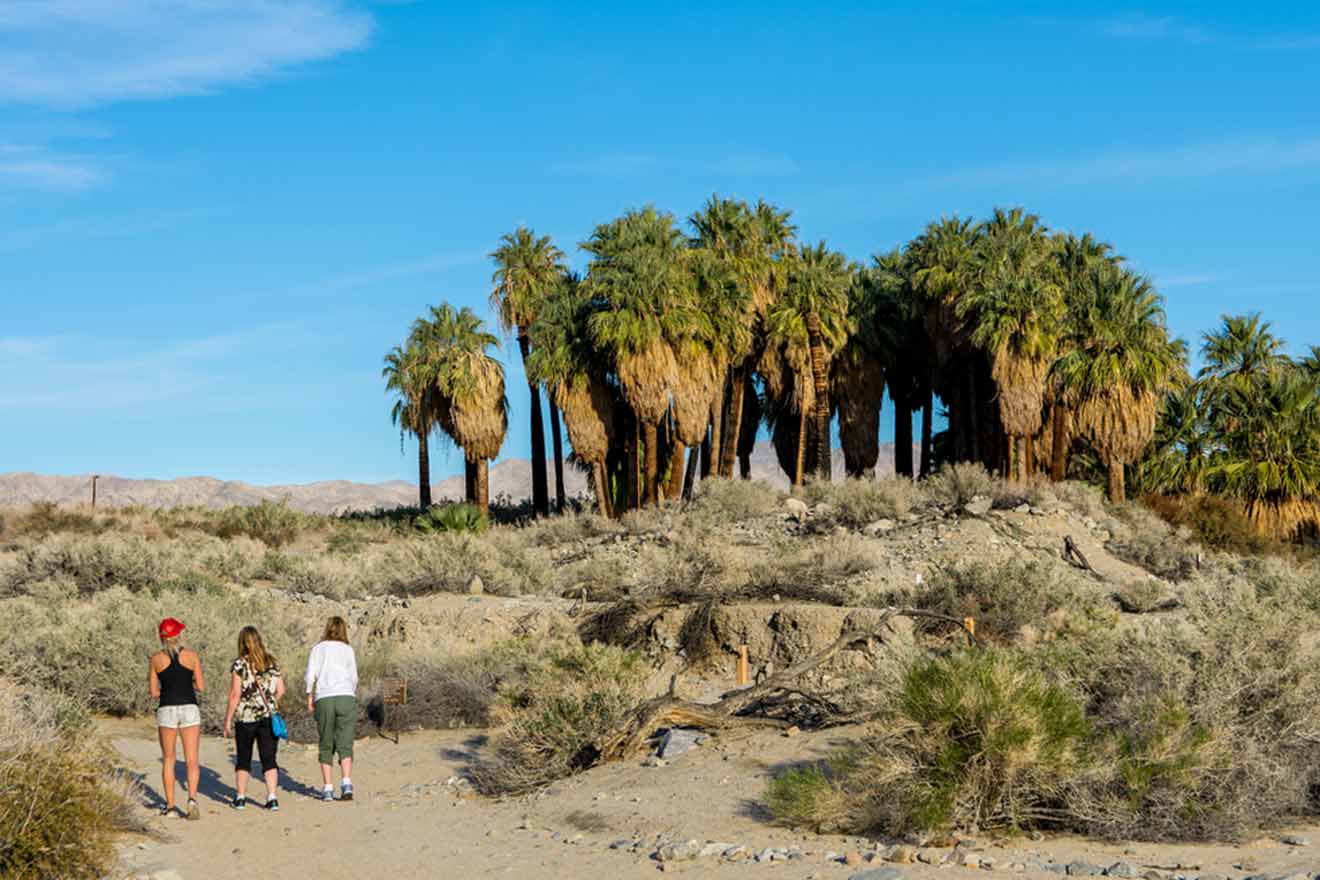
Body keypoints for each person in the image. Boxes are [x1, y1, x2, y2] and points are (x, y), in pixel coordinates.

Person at [148, 617, 205, 820]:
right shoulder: (191, 656)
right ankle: (191, 799)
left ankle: (171, 806)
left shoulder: (156, 659)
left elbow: (154, 692)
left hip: (167, 708)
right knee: (191, 759)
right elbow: (200, 686)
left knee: (169, 759)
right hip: (189, 707)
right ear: (179, 635)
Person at [223, 625, 284, 811]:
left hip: (245, 717)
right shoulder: (272, 662)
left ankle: (240, 797)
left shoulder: (240, 665)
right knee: (269, 758)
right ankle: (272, 797)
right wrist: (270, 702)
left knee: (243, 758)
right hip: (266, 716)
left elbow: (235, 694)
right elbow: (281, 690)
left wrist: (227, 720)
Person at [305, 615, 359, 802]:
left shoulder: (318, 649)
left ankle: (328, 787)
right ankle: (346, 783)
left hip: (325, 697)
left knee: (326, 742)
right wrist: (350, 692)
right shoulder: (347, 649)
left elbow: (310, 674)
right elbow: (353, 677)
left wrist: (309, 695)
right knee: (345, 742)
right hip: (345, 695)